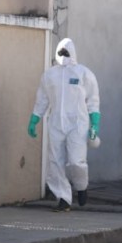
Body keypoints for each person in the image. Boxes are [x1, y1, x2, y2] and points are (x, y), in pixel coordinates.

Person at [28, 37, 100, 212]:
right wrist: (34, 119)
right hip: (56, 123)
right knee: (55, 162)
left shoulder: (84, 74)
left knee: (76, 161)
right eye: (60, 52)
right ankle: (64, 198)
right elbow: (42, 99)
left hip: (78, 123)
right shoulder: (49, 75)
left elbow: (93, 101)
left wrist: (94, 124)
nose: (63, 55)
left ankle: (81, 186)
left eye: (66, 52)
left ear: (73, 53)